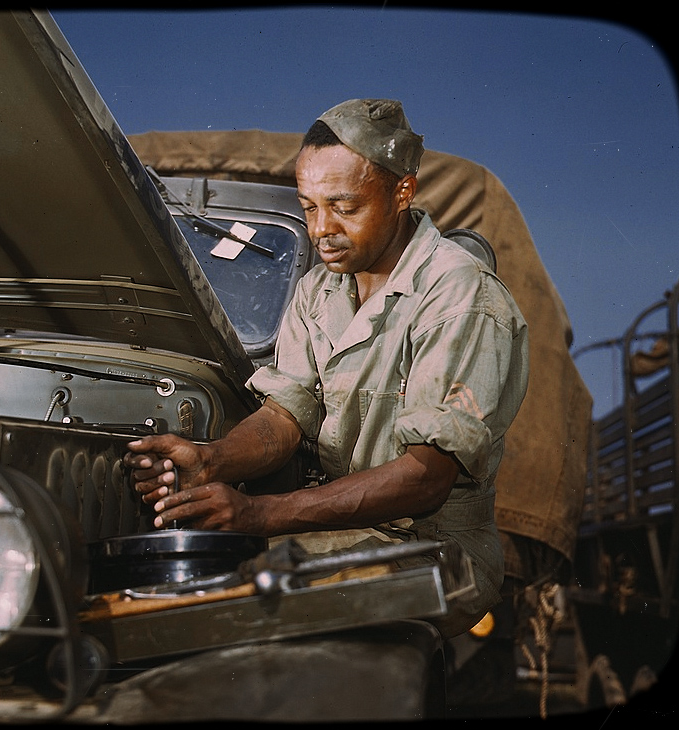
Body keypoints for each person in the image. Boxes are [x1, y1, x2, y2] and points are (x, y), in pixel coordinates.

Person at [124, 98, 529, 637]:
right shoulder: (319, 290)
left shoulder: (460, 295)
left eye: (344, 206)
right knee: (182, 589)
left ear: (402, 192)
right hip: (347, 531)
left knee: (220, 610)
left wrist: (259, 516)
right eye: (309, 207)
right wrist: (212, 459)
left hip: (433, 552)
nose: (321, 229)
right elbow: (285, 413)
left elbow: (426, 478)